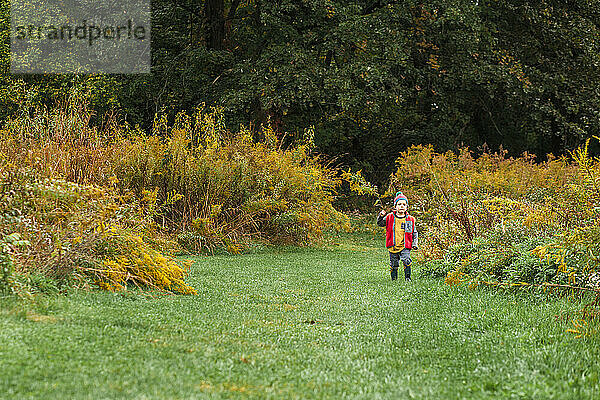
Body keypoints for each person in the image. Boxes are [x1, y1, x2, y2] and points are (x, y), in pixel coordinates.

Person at [377, 191, 418, 281]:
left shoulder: (409, 219)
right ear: (395, 206)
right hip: (393, 245)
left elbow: (414, 232)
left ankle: (408, 278)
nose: (402, 206)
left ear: (407, 207)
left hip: (405, 245)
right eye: (399, 204)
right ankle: (394, 279)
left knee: (406, 260)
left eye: (404, 204)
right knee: (394, 263)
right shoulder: (389, 217)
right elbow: (380, 223)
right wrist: (380, 216)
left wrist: (414, 243)